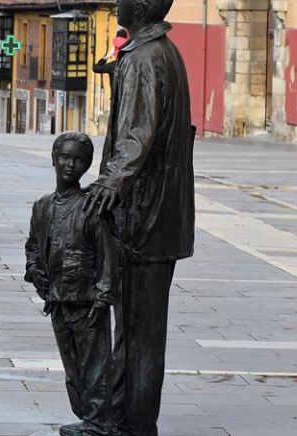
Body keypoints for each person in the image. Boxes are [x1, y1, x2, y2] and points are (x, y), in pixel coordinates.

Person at [82, 0, 195, 434]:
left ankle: (135, 425)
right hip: (159, 212)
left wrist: (108, 185)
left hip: (142, 216)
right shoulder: (160, 50)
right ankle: (119, 417)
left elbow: (137, 134)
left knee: (139, 331)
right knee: (135, 328)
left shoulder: (143, 57)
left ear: (142, 6)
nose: (116, 3)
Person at [25, 132, 118, 436]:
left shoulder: (91, 208)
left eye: (78, 160)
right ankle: (88, 416)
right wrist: (35, 272)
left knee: (95, 364)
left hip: (87, 300)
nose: (70, 164)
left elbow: (107, 254)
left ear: (86, 165)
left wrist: (103, 296)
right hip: (57, 299)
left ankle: (98, 422)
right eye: (65, 157)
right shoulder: (42, 206)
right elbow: (33, 246)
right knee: (73, 365)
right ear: (53, 158)